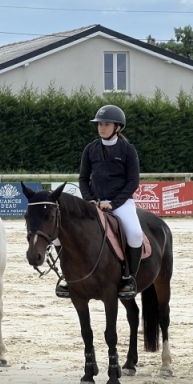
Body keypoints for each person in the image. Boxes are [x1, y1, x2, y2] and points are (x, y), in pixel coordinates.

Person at [66, 104, 142, 300]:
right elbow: (83, 178)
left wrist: (113, 204)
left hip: (121, 203)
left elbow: (133, 181)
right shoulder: (90, 149)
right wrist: (89, 200)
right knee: (68, 230)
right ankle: (68, 278)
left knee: (134, 234)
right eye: (99, 124)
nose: (101, 128)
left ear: (118, 127)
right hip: (94, 203)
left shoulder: (128, 150)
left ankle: (128, 277)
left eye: (106, 124)